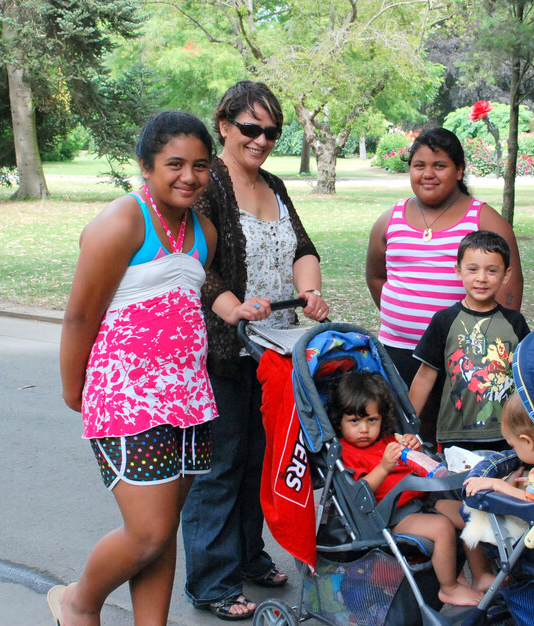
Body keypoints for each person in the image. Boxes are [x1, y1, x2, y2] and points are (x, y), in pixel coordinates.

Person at [53, 111, 218, 625]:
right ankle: (78, 602)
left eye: (200, 165)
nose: (188, 176)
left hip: (189, 399)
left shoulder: (204, 230)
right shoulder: (123, 221)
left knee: (163, 529)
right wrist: (73, 387)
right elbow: (82, 314)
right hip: (126, 398)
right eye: (174, 164)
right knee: (146, 532)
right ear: (146, 166)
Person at [180, 80, 328, 621]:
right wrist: (232, 308)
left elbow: (303, 248)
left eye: (271, 131)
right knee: (220, 465)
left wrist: (310, 292)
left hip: (277, 348)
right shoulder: (208, 183)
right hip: (223, 347)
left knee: (259, 462)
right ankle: (210, 581)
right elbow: (194, 263)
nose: (261, 139)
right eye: (250, 128)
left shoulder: (275, 184)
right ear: (223, 125)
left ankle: (247, 555)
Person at [365, 128, 523, 443]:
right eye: (419, 165)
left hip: (463, 357)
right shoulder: (390, 219)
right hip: (398, 352)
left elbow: (508, 292)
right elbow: (376, 276)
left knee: (452, 439)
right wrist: (403, 316)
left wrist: (481, 349)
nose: (428, 174)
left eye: (439, 165)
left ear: (459, 169)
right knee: (403, 436)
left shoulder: (484, 220)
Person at [330, 371, 495, 605]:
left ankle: (480, 575)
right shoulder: (347, 453)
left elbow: (419, 468)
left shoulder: (389, 441)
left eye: (371, 420)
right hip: (392, 516)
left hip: (423, 501)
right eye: (354, 421)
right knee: (442, 528)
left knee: (470, 513)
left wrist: (415, 451)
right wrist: (385, 467)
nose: (364, 429)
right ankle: (449, 588)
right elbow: (361, 493)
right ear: (340, 421)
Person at [409, 231, 530, 451]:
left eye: (492, 270)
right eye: (473, 269)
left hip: (508, 435)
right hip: (455, 433)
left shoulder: (515, 322)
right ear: (458, 271)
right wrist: (408, 424)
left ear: (506, 274)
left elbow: (528, 376)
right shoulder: (444, 321)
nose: (481, 278)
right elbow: (425, 376)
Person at [461, 393, 534, 548]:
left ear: (527, 441)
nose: (513, 450)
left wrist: (498, 485)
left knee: (471, 514)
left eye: (513, 446)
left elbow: (533, 504)